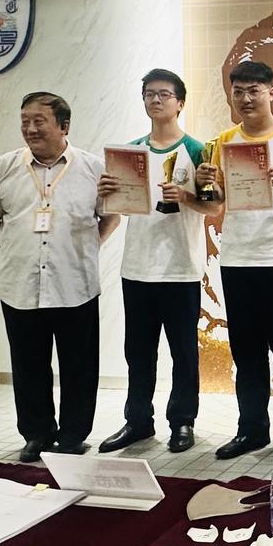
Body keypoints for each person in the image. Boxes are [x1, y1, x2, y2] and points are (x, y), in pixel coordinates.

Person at [0, 92, 120, 462]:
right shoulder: (2, 167)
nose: (30, 128)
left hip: (75, 283)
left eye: (39, 121)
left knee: (79, 366)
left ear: (64, 126)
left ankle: (72, 435)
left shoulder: (93, 168)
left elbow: (111, 216)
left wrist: (88, 248)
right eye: (25, 121)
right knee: (28, 366)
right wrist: (14, 247)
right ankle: (37, 434)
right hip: (20, 285)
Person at [194, 61, 273, 461]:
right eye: (238, 91)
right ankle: (251, 430)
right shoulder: (222, 142)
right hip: (238, 260)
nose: (246, 98)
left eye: (254, 90)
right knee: (246, 352)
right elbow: (215, 204)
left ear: (271, 92)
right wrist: (205, 185)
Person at [97, 69, 219, 455]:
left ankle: (182, 421)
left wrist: (186, 197)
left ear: (180, 103)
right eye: (149, 94)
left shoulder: (198, 151)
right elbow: (118, 209)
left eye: (164, 94)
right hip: (137, 267)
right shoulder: (130, 153)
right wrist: (106, 194)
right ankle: (138, 421)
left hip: (181, 268)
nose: (156, 100)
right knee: (138, 352)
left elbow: (214, 207)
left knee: (183, 352)